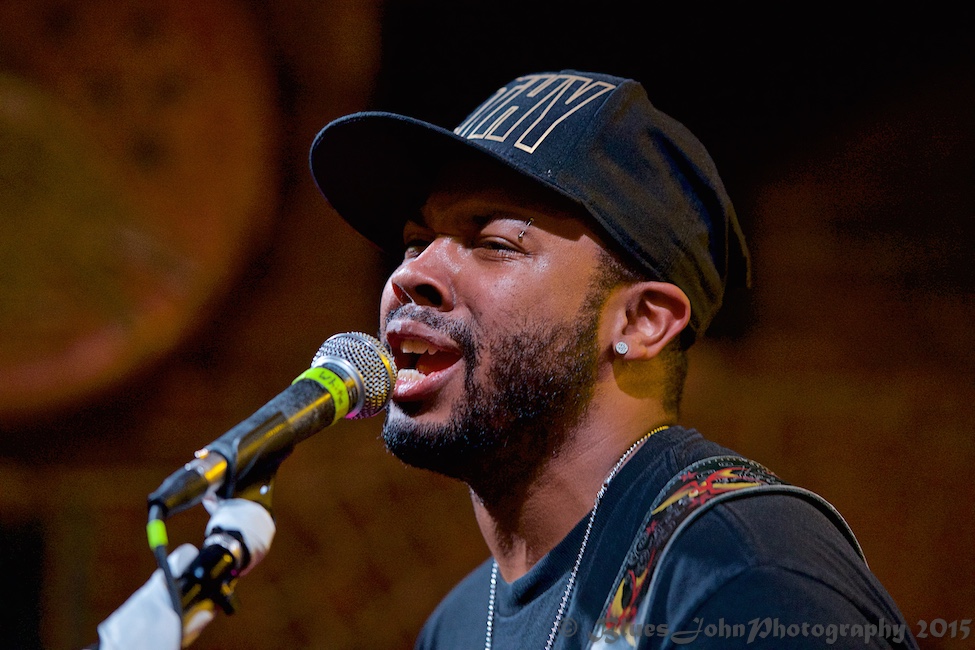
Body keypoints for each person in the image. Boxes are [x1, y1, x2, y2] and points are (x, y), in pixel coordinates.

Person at [92, 70, 916, 649]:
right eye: (414, 240)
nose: (411, 273)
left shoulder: (740, 573)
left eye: (491, 242)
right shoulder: (458, 626)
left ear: (642, 321)